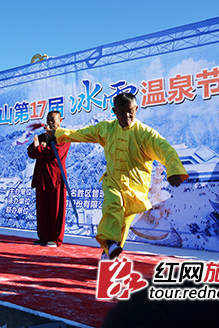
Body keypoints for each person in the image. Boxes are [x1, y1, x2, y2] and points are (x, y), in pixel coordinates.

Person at [48, 92, 188, 259]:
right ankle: (109, 244)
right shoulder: (106, 129)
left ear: (136, 109)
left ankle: (109, 252)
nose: (127, 116)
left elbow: (165, 149)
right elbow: (81, 134)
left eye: (130, 111)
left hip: (135, 188)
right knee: (114, 206)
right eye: (121, 112)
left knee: (124, 223)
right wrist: (58, 134)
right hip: (113, 182)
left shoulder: (146, 134)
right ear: (114, 112)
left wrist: (173, 169)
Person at [27, 111, 71, 247]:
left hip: (56, 178)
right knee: (43, 210)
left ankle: (56, 239)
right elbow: (30, 152)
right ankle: (44, 236)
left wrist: (39, 148)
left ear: (60, 121)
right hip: (42, 178)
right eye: (48, 119)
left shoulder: (63, 137)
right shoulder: (42, 136)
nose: (50, 122)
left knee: (57, 210)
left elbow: (54, 152)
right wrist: (41, 147)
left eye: (53, 119)